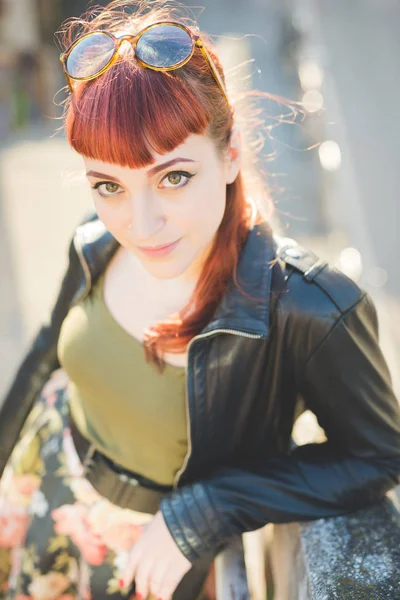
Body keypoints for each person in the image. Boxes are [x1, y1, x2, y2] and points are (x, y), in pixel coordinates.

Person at [1, 0, 400, 599]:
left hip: (147, 560)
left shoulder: (310, 307)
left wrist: (211, 507)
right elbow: (42, 360)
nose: (140, 224)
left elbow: (377, 457)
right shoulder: (94, 243)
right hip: (37, 483)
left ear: (231, 152)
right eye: (109, 185)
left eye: (174, 177)